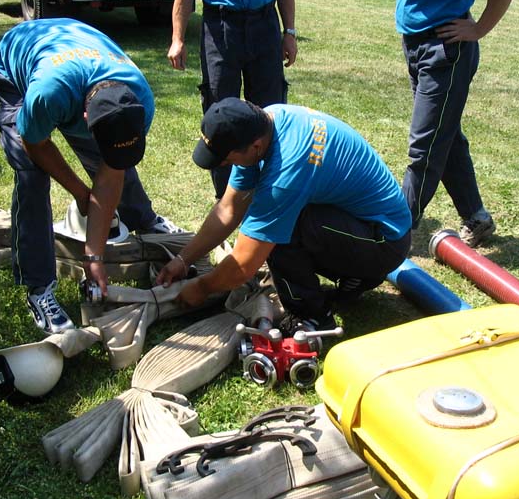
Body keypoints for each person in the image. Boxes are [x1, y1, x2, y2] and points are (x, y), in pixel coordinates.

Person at [0, 18, 184, 334]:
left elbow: (112, 172)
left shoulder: (140, 101)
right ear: (85, 120)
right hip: (15, 64)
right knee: (31, 175)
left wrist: (93, 256)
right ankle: (39, 288)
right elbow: (35, 144)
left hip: (74, 52)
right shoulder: (47, 95)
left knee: (117, 156)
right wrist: (81, 193)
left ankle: (144, 219)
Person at [156, 98, 412, 334]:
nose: (224, 165)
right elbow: (228, 209)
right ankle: (356, 275)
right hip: (361, 227)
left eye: (226, 160)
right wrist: (183, 259)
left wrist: (201, 288)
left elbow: (244, 266)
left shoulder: (286, 171)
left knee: (278, 232)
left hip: (384, 241)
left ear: (255, 147)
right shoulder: (267, 122)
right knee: (276, 221)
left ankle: (312, 316)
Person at [396, 0, 519, 247]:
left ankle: (393, 235)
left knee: (425, 146)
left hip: (444, 49)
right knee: (444, 134)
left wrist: (478, 29)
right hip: (415, 44)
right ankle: (477, 217)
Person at [167, 0, 300, 200]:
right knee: (220, 112)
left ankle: (270, 192)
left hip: (264, 24)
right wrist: (177, 39)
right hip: (219, 26)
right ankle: (225, 198)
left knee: (271, 111)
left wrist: (289, 32)